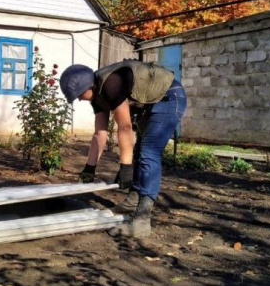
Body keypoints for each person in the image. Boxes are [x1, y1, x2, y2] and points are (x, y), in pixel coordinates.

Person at [60, 59, 187, 238]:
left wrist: (125, 167)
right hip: (154, 102)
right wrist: (90, 168)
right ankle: (133, 200)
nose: (79, 99)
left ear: (88, 86)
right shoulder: (97, 96)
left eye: (79, 94)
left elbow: (125, 127)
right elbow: (100, 133)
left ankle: (141, 221)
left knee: (148, 152)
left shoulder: (112, 84)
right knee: (140, 152)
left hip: (169, 97)